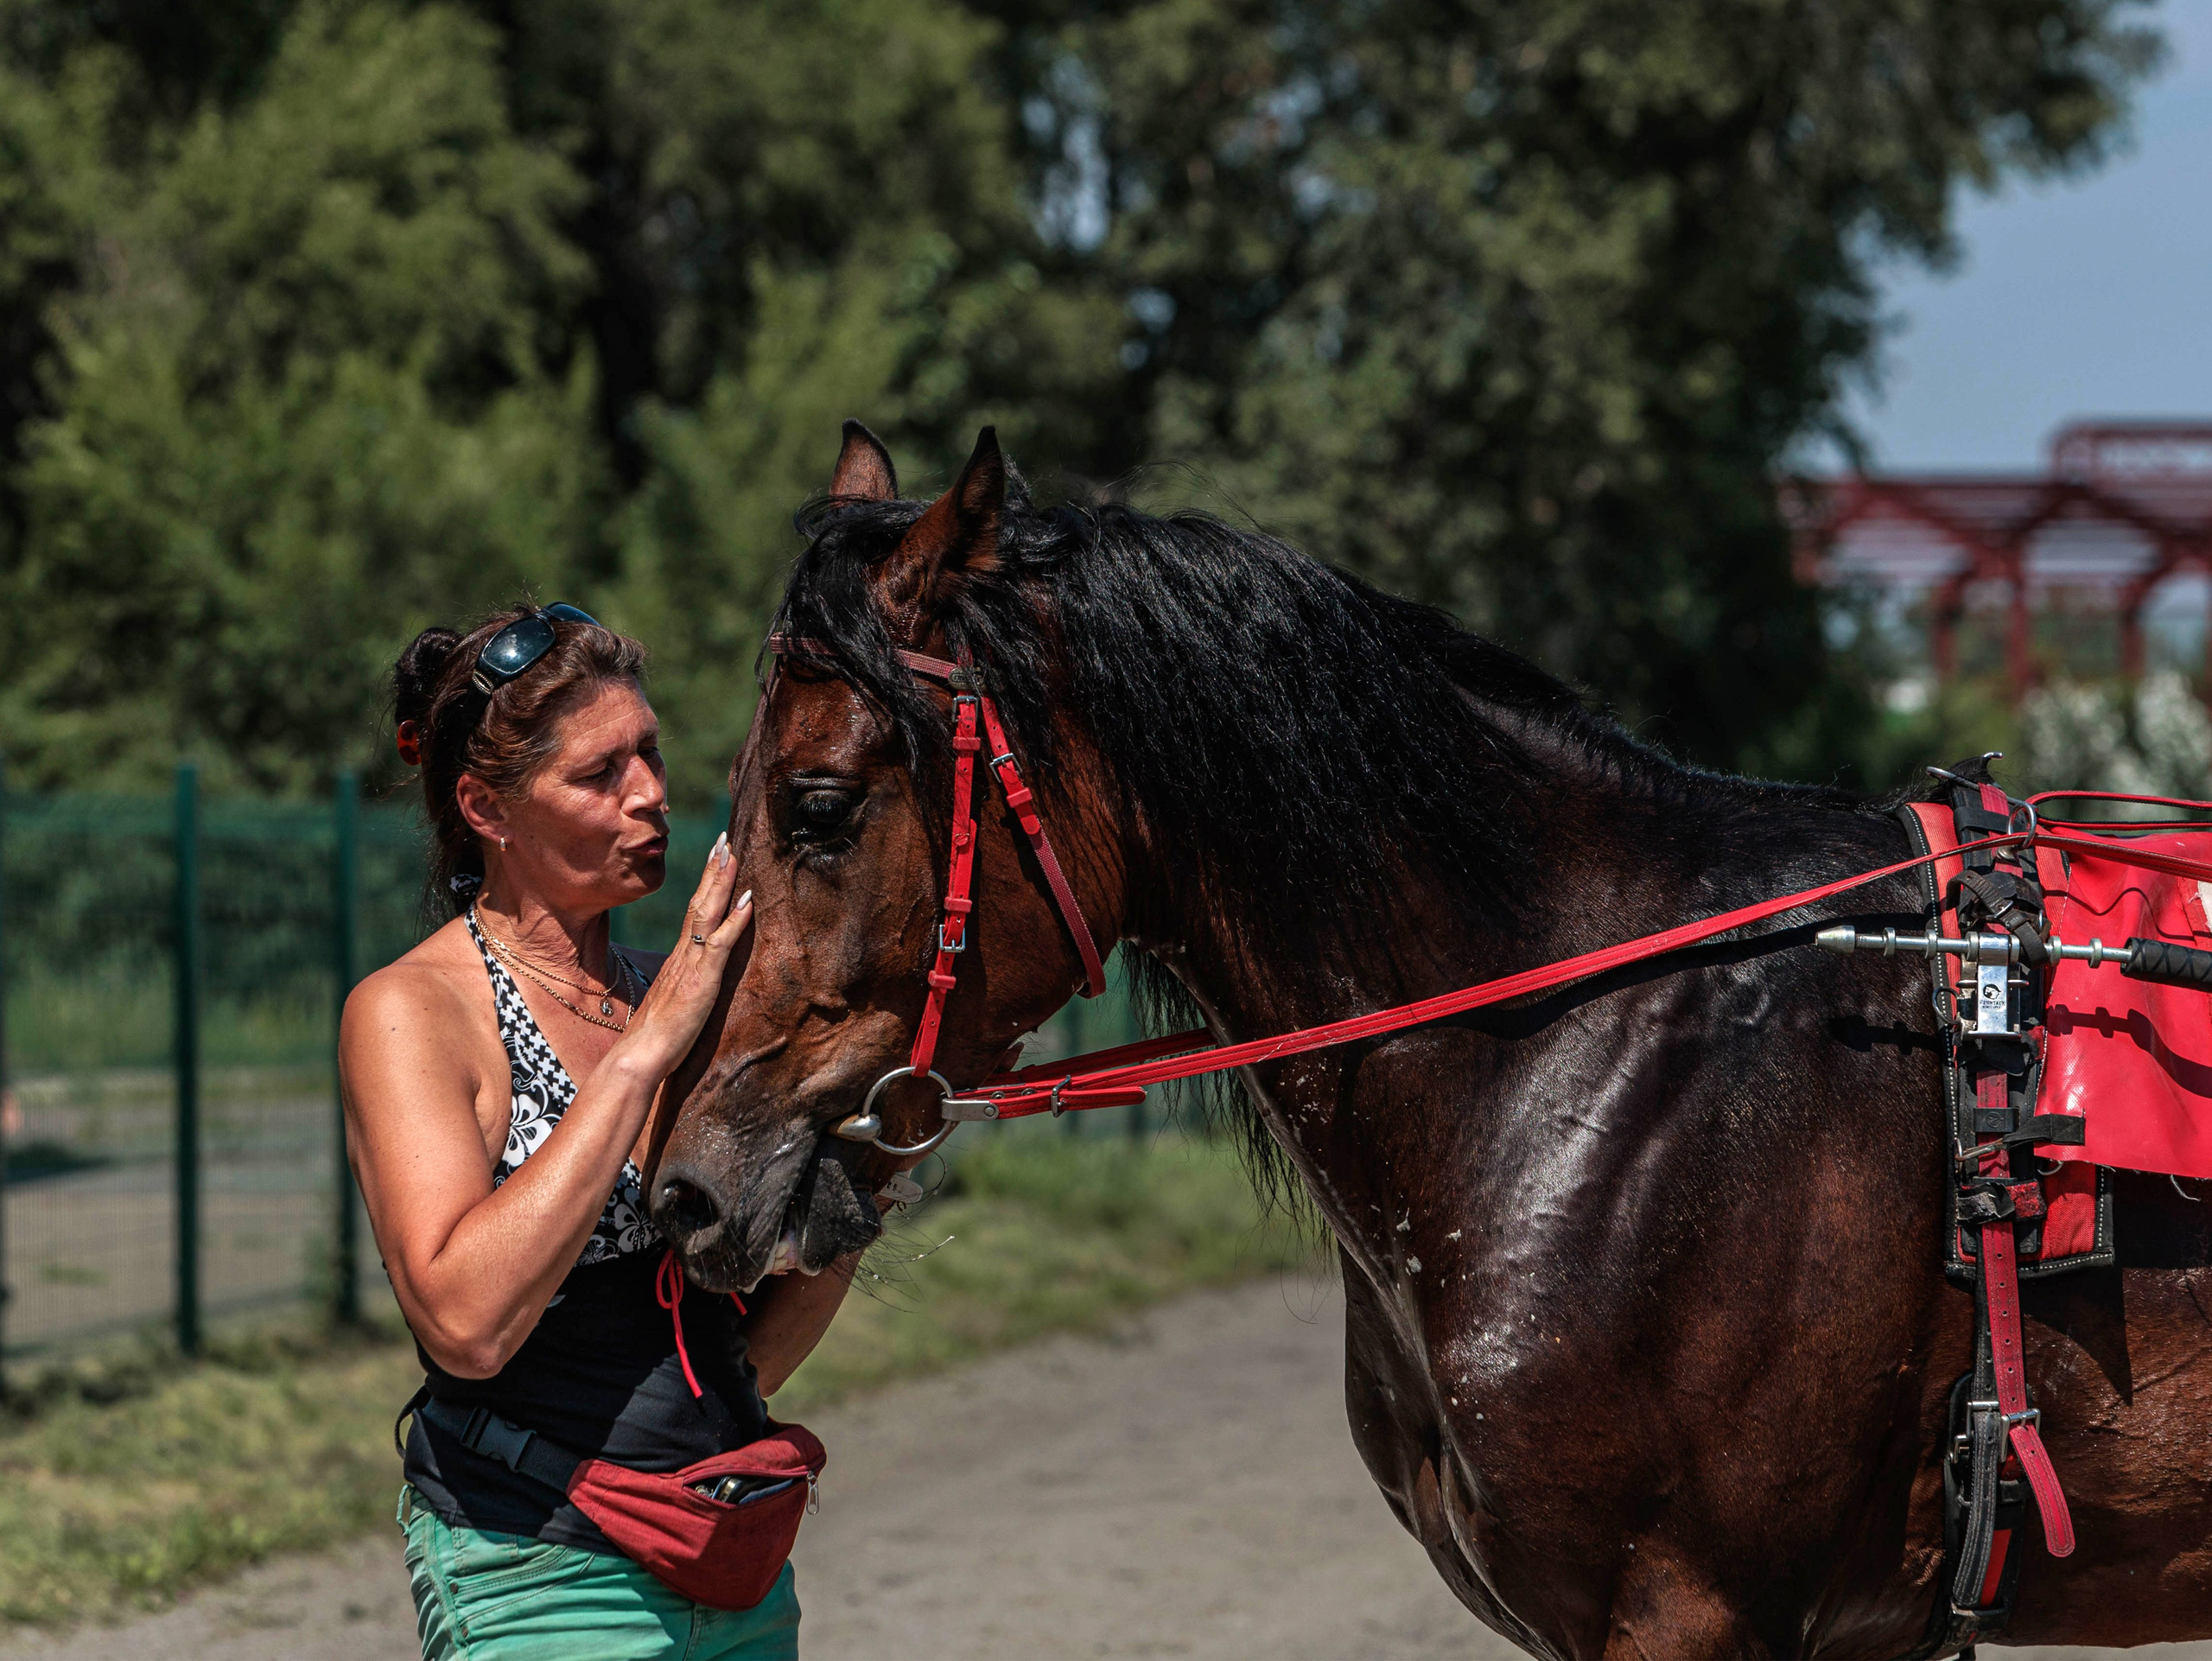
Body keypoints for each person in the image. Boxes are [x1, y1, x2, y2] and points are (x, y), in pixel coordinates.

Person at [341, 604, 869, 1660]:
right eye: (598, 774)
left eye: (650, 751)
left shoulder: (665, 992)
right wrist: (640, 1057)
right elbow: (465, 1320)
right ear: (487, 805)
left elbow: (737, 1351)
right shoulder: (419, 1008)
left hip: (723, 1549)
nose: (651, 792)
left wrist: (862, 1173)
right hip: (537, 1570)